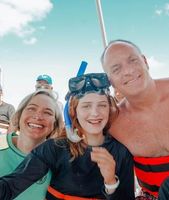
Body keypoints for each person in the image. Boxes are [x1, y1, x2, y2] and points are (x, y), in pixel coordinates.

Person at [0, 73, 135, 200]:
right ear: (73, 111)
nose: (95, 113)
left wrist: (111, 182)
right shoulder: (54, 148)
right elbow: (10, 187)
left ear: (109, 109)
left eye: (102, 105)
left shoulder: (121, 153)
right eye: (86, 106)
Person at [101, 39, 169, 199]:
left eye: (132, 60)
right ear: (110, 81)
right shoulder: (113, 123)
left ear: (145, 61)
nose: (128, 71)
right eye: (116, 68)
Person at [0, 89, 64, 200]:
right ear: (19, 115)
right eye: (31, 108)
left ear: (55, 123)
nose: (38, 116)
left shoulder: (60, 161)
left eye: (48, 112)